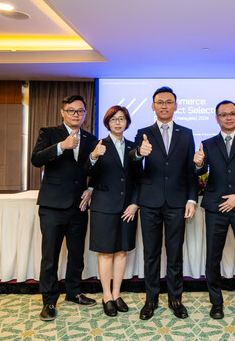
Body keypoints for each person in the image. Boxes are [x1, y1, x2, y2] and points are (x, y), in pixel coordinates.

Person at [130, 86, 198, 320]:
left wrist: (191, 198)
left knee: (175, 253)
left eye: (169, 102)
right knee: (151, 254)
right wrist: (139, 153)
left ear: (175, 106)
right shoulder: (143, 133)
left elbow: (191, 170)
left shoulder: (186, 133)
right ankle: (151, 300)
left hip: (177, 202)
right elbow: (133, 164)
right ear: (153, 106)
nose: (165, 106)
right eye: (160, 102)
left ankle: (175, 299)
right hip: (150, 202)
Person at [194, 100, 235, 319]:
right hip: (216, 208)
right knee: (213, 256)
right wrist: (198, 164)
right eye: (224, 114)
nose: (229, 117)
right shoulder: (208, 144)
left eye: (232, 113)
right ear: (217, 118)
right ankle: (216, 302)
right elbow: (201, 173)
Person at [31, 95, 97, 321]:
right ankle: (49, 301)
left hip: (79, 206)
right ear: (63, 112)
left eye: (80, 111)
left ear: (85, 113)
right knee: (50, 255)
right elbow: (36, 159)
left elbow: (95, 169)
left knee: (76, 253)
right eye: (71, 110)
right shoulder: (49, 133)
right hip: (53, 206)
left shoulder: (91, 139)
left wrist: (92, 188)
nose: (76, 114)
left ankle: (74, 292)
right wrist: (62, 146)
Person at [84, 106, 141, 317]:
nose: (118, 122)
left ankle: (117, 294)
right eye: (114, 119)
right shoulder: (98, 145)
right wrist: (93, 156)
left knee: (122, 251)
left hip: (128, 208)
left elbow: (139, 178)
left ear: (127, 122)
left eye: (122, 119)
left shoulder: (134, 147)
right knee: (106, 252)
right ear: (107, 122)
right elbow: (88, 172)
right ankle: (106, 296)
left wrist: (135, 203)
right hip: (104, 207)